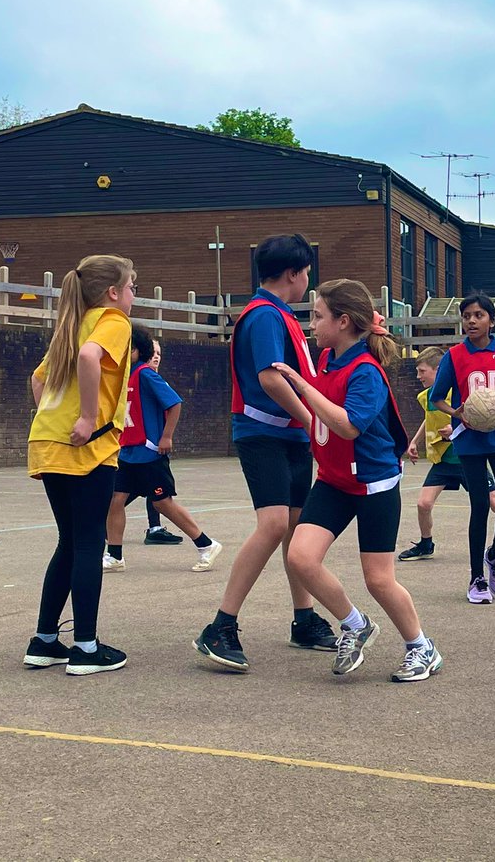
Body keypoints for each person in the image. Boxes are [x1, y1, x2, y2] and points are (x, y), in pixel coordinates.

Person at [269, 278, 440, 682]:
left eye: (318, 316)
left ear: (343, 321)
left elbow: (348, 427)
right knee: (300, 557)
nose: (311, 324)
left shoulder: (366, 372)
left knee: (378, 579)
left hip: (373, 484)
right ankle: (355, 623)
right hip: (333, 481)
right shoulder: (328, 359)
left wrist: (300, 384)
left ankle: (421, 647)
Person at [193, 235, 336, 671]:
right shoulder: (264, 316)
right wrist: (314, 420)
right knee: (274, 525)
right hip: (264, 433)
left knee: (295, 529)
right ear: (293, 273)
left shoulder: (281, 316)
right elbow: (272, 379)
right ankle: (220, 625)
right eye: (307, 272)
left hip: (289, 436)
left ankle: (304, 619)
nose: (309, 280)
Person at [24, 254, 136, 675]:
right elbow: (91, 358)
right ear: (112, 292)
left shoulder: (71, 324)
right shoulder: (113, 322)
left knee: (68, 541)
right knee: (90, 542)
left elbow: (38, 380)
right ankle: (86, 648)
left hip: (48, 440)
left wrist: (55, 418)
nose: (132, 295)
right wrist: (88, 417)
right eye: (131, 287)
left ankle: (45, 640)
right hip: (87, 446)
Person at [399, 346, 495, 565]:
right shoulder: (425, 396)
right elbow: (429, 417)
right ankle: (426, 543)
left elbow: (477, 412)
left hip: (465, 456)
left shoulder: (457, 390)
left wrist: (454, 426)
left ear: (438, 370)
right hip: (444, 459)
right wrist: (415, 441)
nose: (418, 376)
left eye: (422, 371)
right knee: (423, 504)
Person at [430, 293, 495, 604]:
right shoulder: (454, 356)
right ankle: (476, 578)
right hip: (470, 440)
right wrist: (456, 413)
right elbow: (437, 397)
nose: (471, 321)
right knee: (479, 507)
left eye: (478, 315)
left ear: (491, 319)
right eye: (466, 316)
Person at [103, 325, 223, 572]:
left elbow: (175, 403)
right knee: (115, 500)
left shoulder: (146, 375)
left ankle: (206, 544)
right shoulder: (122, 377)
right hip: (128, 452)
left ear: (136, 350)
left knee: (162, 503)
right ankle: (114, 555)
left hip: (149, 452)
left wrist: (166, 437)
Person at [138, 339, 184, 545]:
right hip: (142, 446)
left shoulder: (152, 378)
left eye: (159, 353)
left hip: (151, 446)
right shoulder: (144, 377)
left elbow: (171, 405)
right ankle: (204, 542)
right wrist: (166, 436)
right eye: (152, 352)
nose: (156, 356)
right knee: (122, 493)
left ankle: (155, 527)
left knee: (152, 491)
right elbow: (175, 403)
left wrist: (166, 434)